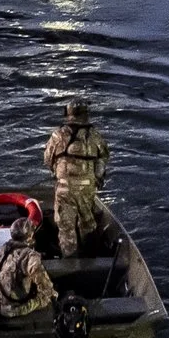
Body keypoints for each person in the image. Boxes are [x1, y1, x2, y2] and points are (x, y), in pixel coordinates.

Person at [42, 99, 111, 257]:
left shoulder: (58, 135)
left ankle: (70, 260)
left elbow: (47, 159)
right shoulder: (94, 136)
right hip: (87, 187)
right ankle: (90, 255)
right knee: (87, 222)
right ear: (86, 115)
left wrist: (57, 171)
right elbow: (103, 158)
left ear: (68, 114)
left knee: (66, 227)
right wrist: (96, 177)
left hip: (64, 188)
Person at [0, 215, 53, 319]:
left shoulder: (4, 248)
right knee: (48, 296)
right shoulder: (29, 256)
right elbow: (45, 284)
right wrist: (51, 294)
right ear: (29, 236)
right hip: (11, 308)